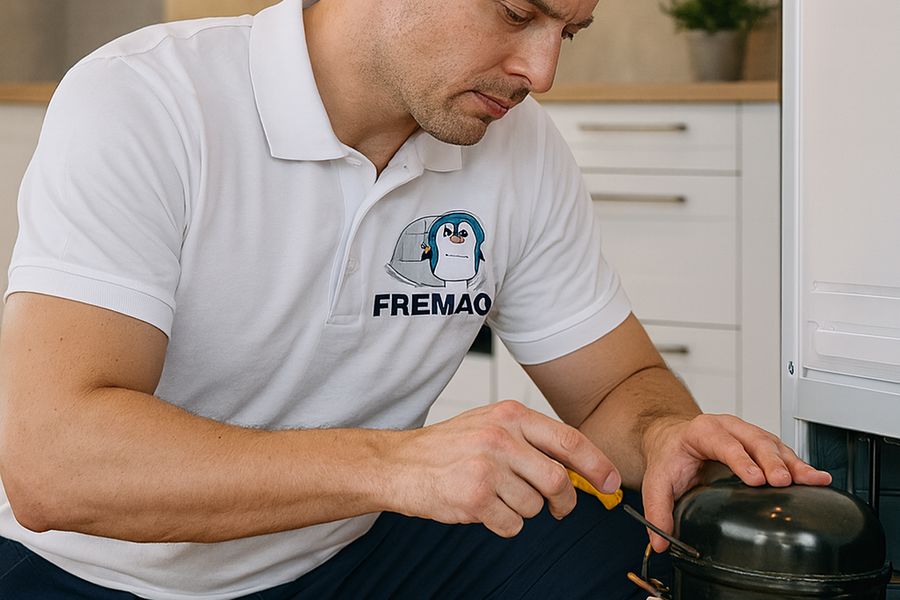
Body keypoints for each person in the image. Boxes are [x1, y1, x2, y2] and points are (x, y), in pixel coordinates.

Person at [0, 0, 832, 598]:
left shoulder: (518, 148)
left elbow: (615, 386)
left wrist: (662, 432)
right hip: (95, 571)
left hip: (347, 550)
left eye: (569, 31)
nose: (542, 72)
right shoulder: (147, 98)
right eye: (517, 13)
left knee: (614, 552)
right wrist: (396, 466)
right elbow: (54, 464)